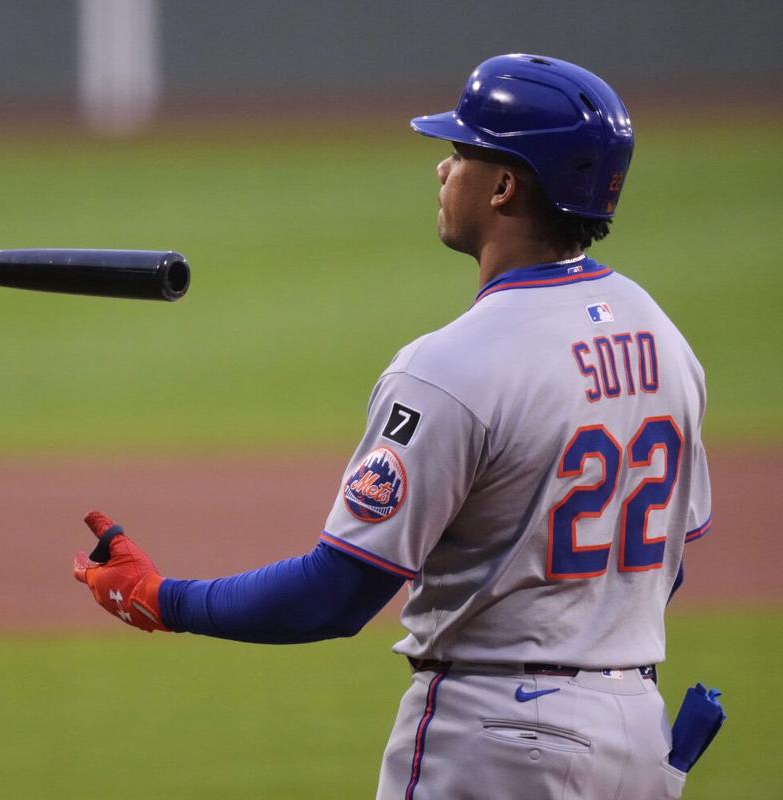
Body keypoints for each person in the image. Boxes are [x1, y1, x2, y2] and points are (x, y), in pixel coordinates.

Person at [73, 53, 711, 800]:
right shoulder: (662, 337)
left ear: (504, 186)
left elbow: (336, 593)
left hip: (497, 740)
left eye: (462, 153)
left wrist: (161, 598)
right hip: (636, 734)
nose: (443, 169)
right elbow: (670, 562)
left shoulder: (452, 366)